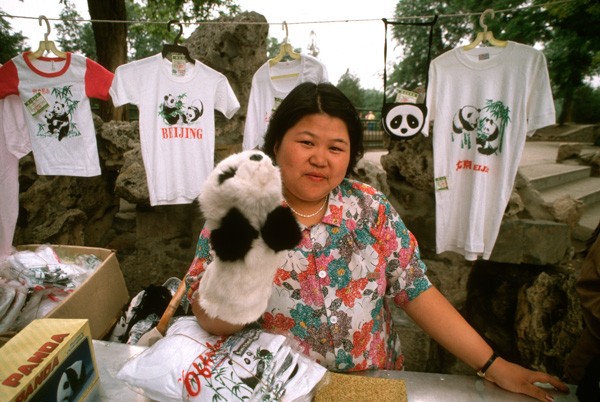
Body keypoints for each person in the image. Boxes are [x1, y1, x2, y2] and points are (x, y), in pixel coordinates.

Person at [185, 82, 568, 401]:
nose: (321, 158)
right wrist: (250, 257)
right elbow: (209, 317)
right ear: (276, 143)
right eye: (306, 142)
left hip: (369, 387)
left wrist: (494, 366)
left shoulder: (370, 209)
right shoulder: (242, 207)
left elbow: (416, 291)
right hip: (274, 387)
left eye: (336, 147)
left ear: (351, 154)